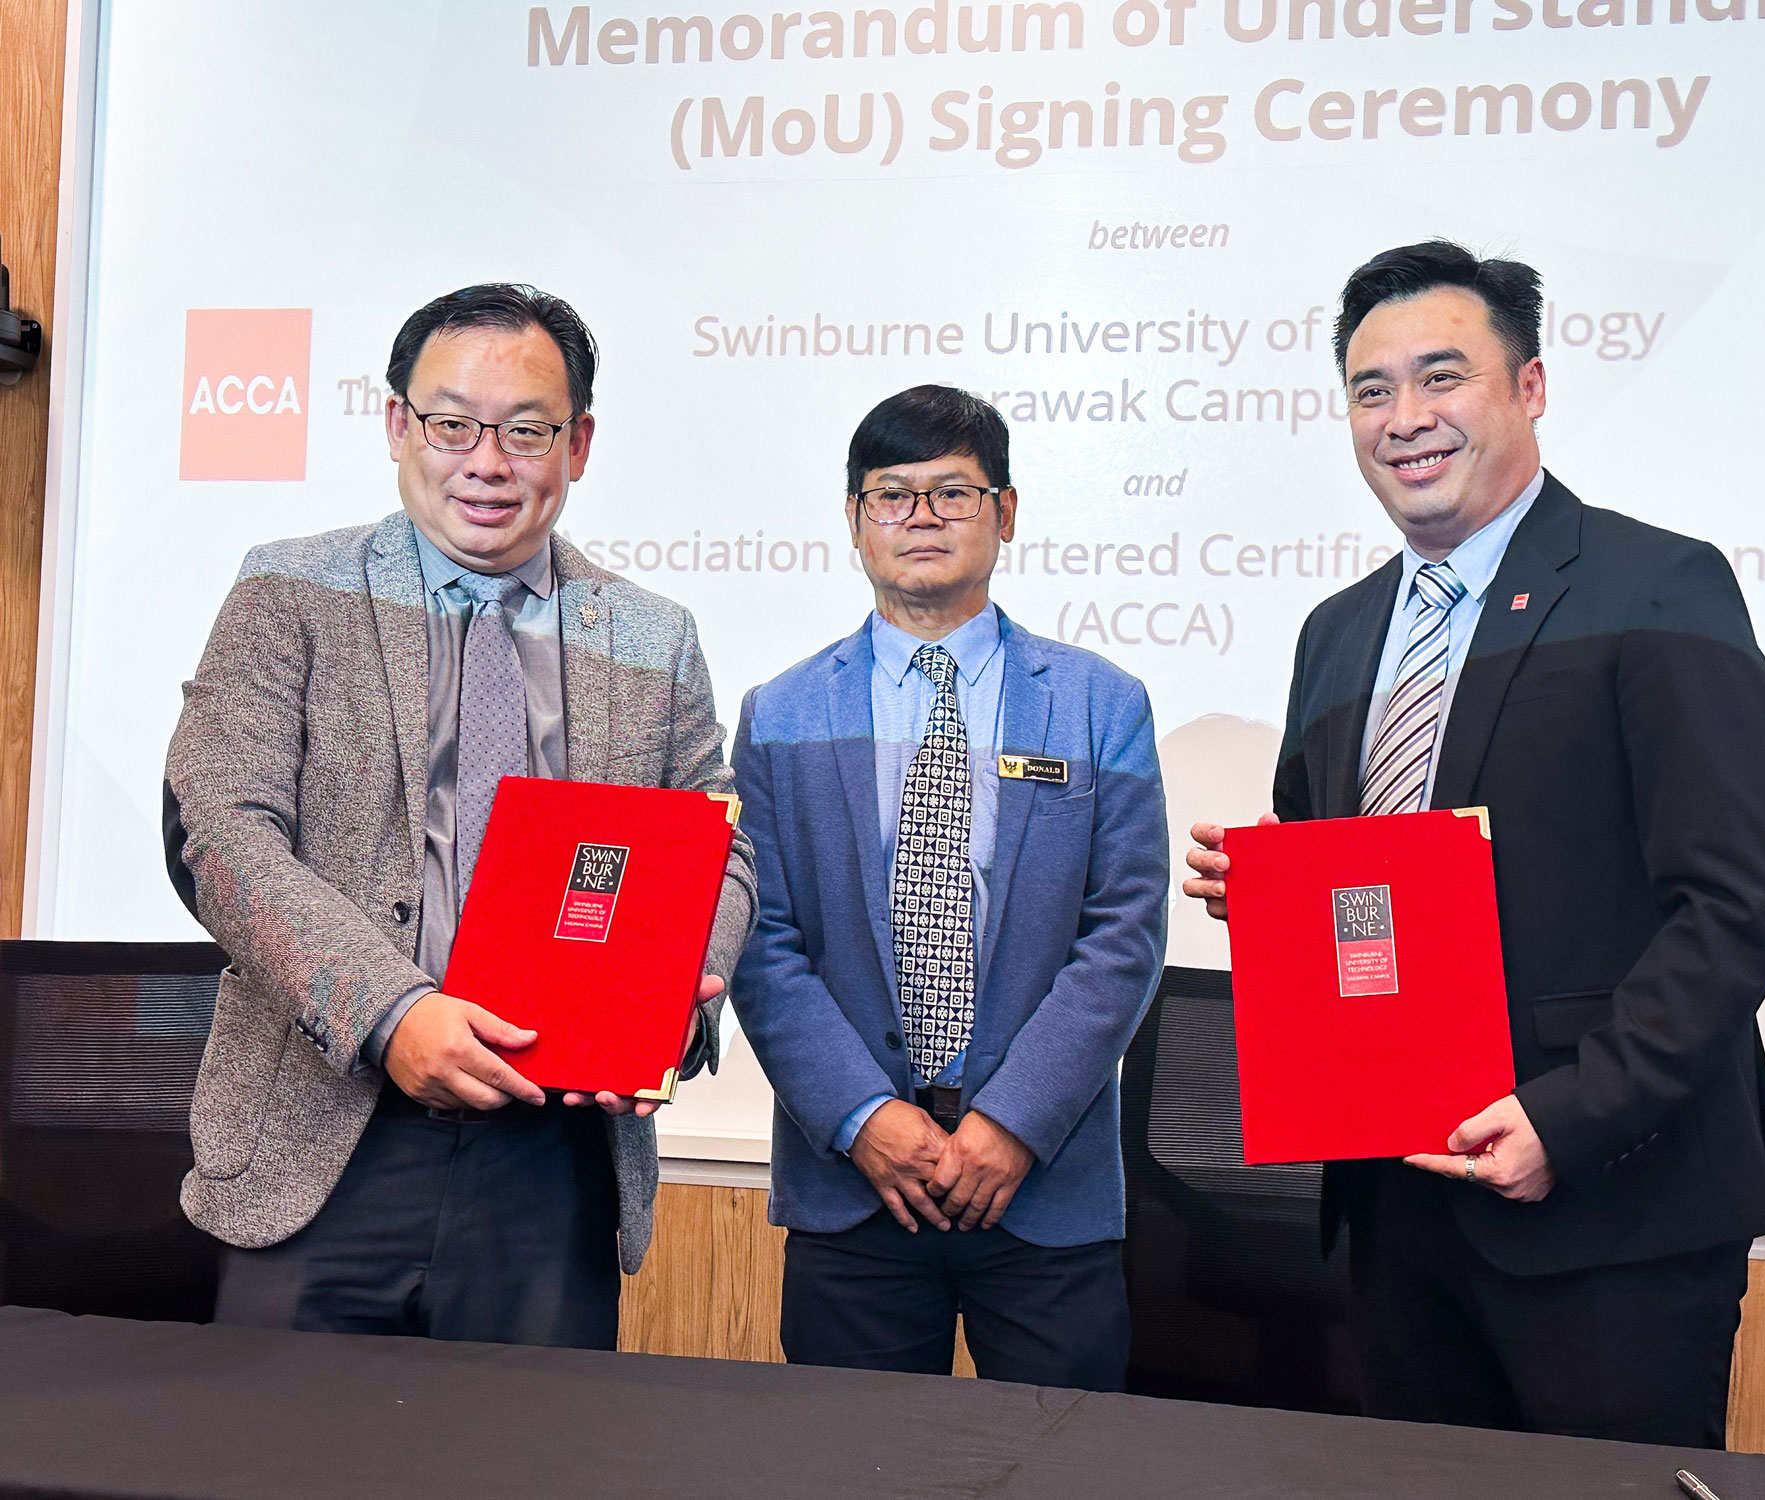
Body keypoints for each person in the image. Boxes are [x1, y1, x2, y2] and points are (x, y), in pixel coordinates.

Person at [1184, 241, 1765, 1446]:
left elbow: (1738, 900)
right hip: (1395, 1208)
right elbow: (1356, 894)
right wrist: (1264, 898)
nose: (1403, 419)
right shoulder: (1337, 632)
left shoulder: (1657, 584)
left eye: (1440, 378)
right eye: (1370, 390)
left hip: (1608, 1208)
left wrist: (1568, 1121)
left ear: (1526, 387)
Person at [164, 283, 756, 1348]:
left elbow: (718, 846)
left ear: (577, 443)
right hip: (326, 1138)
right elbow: (221, 836)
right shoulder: (290, 594)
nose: (487, 462)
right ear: (399, 425)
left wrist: (670, 996)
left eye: (526, 430)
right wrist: (394, 1014)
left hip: (552, 1162)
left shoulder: (651, 637)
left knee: (526, 1467)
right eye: (452, 424)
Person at [729, 385, 1168, 1390]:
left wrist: (1009, 1122)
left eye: (952, 492)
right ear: (853, 521)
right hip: (853, 1185)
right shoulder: (779, 714)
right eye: (891, 494)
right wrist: (861, 1120)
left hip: (1044, 1185)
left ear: (1004, 514)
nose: (920, 517)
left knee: (1064, 1470)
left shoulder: (1099, 706)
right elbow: (764, 943)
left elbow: (1123, 935)